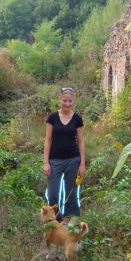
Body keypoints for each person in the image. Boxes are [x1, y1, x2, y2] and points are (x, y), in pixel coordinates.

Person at [43, 87, 85, 222]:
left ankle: (71, 220)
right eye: (65, 100)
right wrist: (46, 162)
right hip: (54, 160)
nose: (67, 104)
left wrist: (82, 163)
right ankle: (54, 219)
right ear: (60, 99)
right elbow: (48, 140)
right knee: (52, 192)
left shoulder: (77, 118)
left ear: (73, 101)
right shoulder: (52, 118)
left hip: (73, 160)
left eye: (70, 101)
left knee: (71, 191)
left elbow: (81, 142)